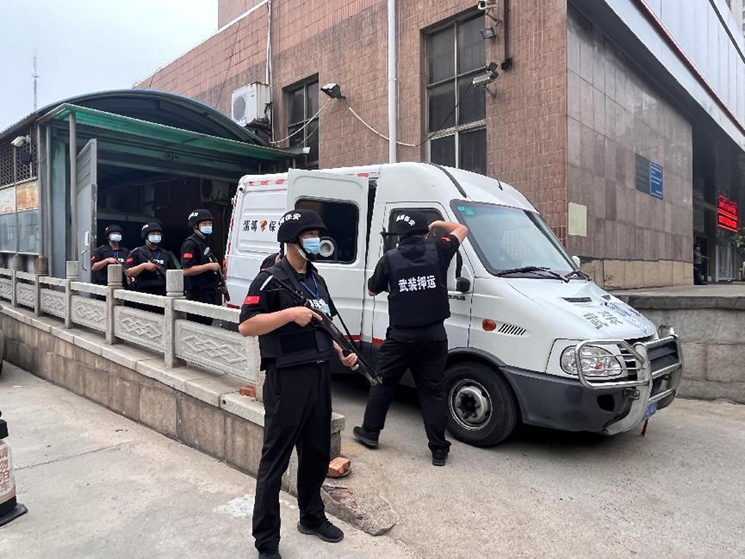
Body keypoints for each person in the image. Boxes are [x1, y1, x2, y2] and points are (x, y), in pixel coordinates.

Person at [238, 209, 358, 559]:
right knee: (274, 462)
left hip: (319, 376)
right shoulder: (268, 279)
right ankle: (266, 542)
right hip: (287, 379)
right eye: (310, 235)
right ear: (292, 240)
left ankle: (311, 516)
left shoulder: (317, 280)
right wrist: (290, 314)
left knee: (316, 455)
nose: (317, 240)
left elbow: (325, 322)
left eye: (318, 234)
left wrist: (341, 352)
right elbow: (246, 325)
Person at [353, 210, 468, 467]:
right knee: (433, 391)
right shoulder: (439, 249)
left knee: (383, 383)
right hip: (435, 335)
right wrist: (438, 224)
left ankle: (370, 432)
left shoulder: (390, 259)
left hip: (402, 337)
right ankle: (439, 450)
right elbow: (461, 229)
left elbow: (371, 290)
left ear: (399, 236)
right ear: (425, 232)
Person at [181, 209, 226, 324]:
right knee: (198, 325)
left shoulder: (206, 242)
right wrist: (208, 266)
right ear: (195, 226)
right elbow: (186, 270)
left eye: (210, 224)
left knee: (207, 323)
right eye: (204, 224)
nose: (208, 226)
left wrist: (220, 284)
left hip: (209, 291)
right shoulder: (190, 244)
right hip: (197, 293)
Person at [125, 222, 178, 297]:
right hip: (144, 291)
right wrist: (143, 266)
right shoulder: (137, 252)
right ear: (146, 236)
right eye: (153, 234)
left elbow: (174, 273)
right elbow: (128, 272)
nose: (156, 236)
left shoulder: (167, 254)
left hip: (164, 291)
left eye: (158, 234)